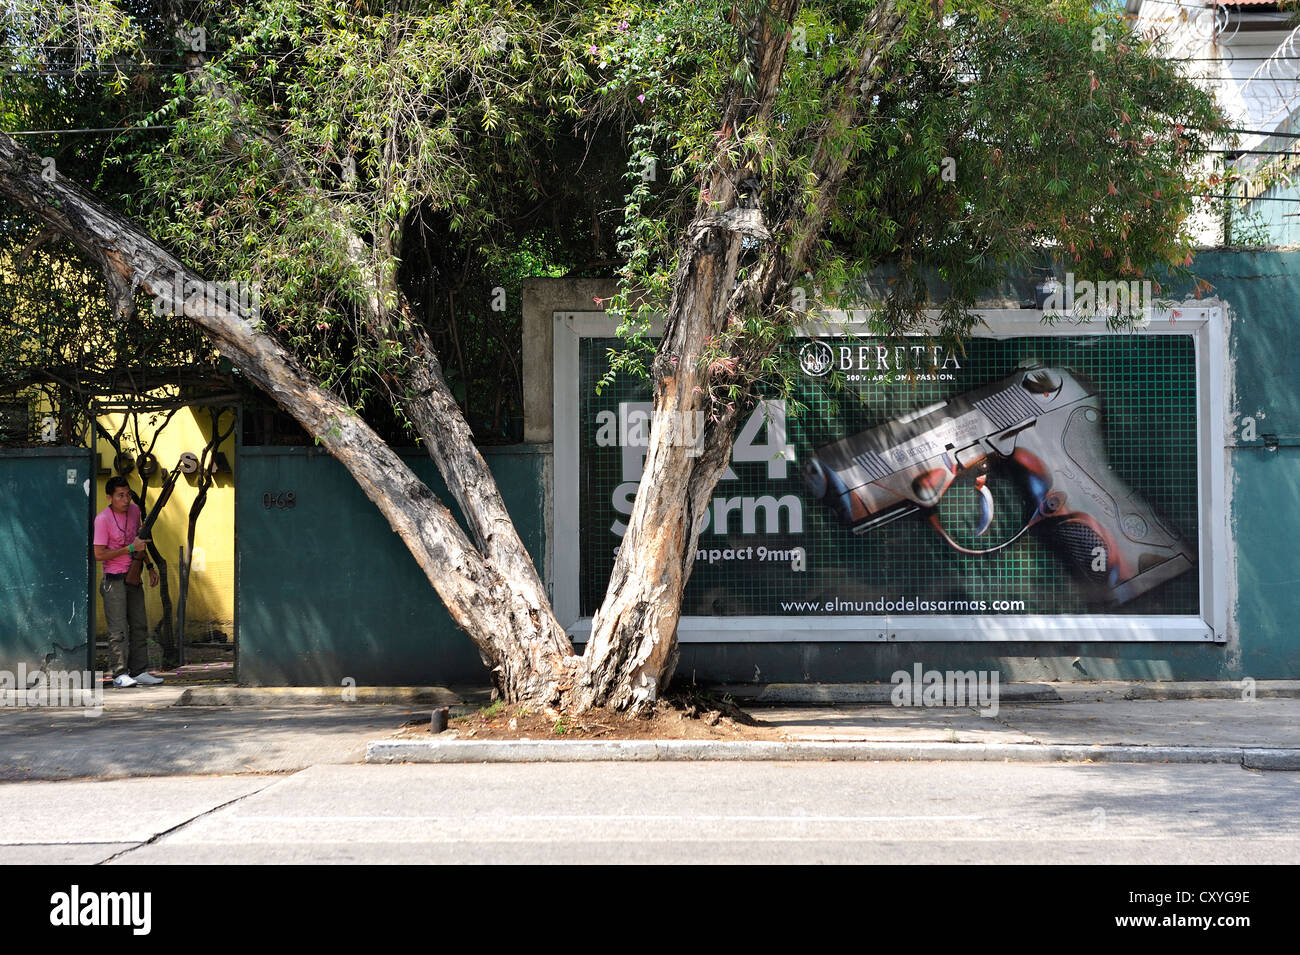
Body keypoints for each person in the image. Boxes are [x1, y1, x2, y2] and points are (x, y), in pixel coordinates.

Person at [93, 476, 164, 687]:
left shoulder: (134, 511)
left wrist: (150, 566)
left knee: (140, 625)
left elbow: (140, 539)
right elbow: (99, 554)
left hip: (134, 577)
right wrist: (129, 549)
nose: (125, 500)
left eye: (128, 494)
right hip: (113, 580)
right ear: (109, 497)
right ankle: (119, 673)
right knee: (118, 630)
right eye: (120, 495)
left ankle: (140, 670)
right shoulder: (102, 519)